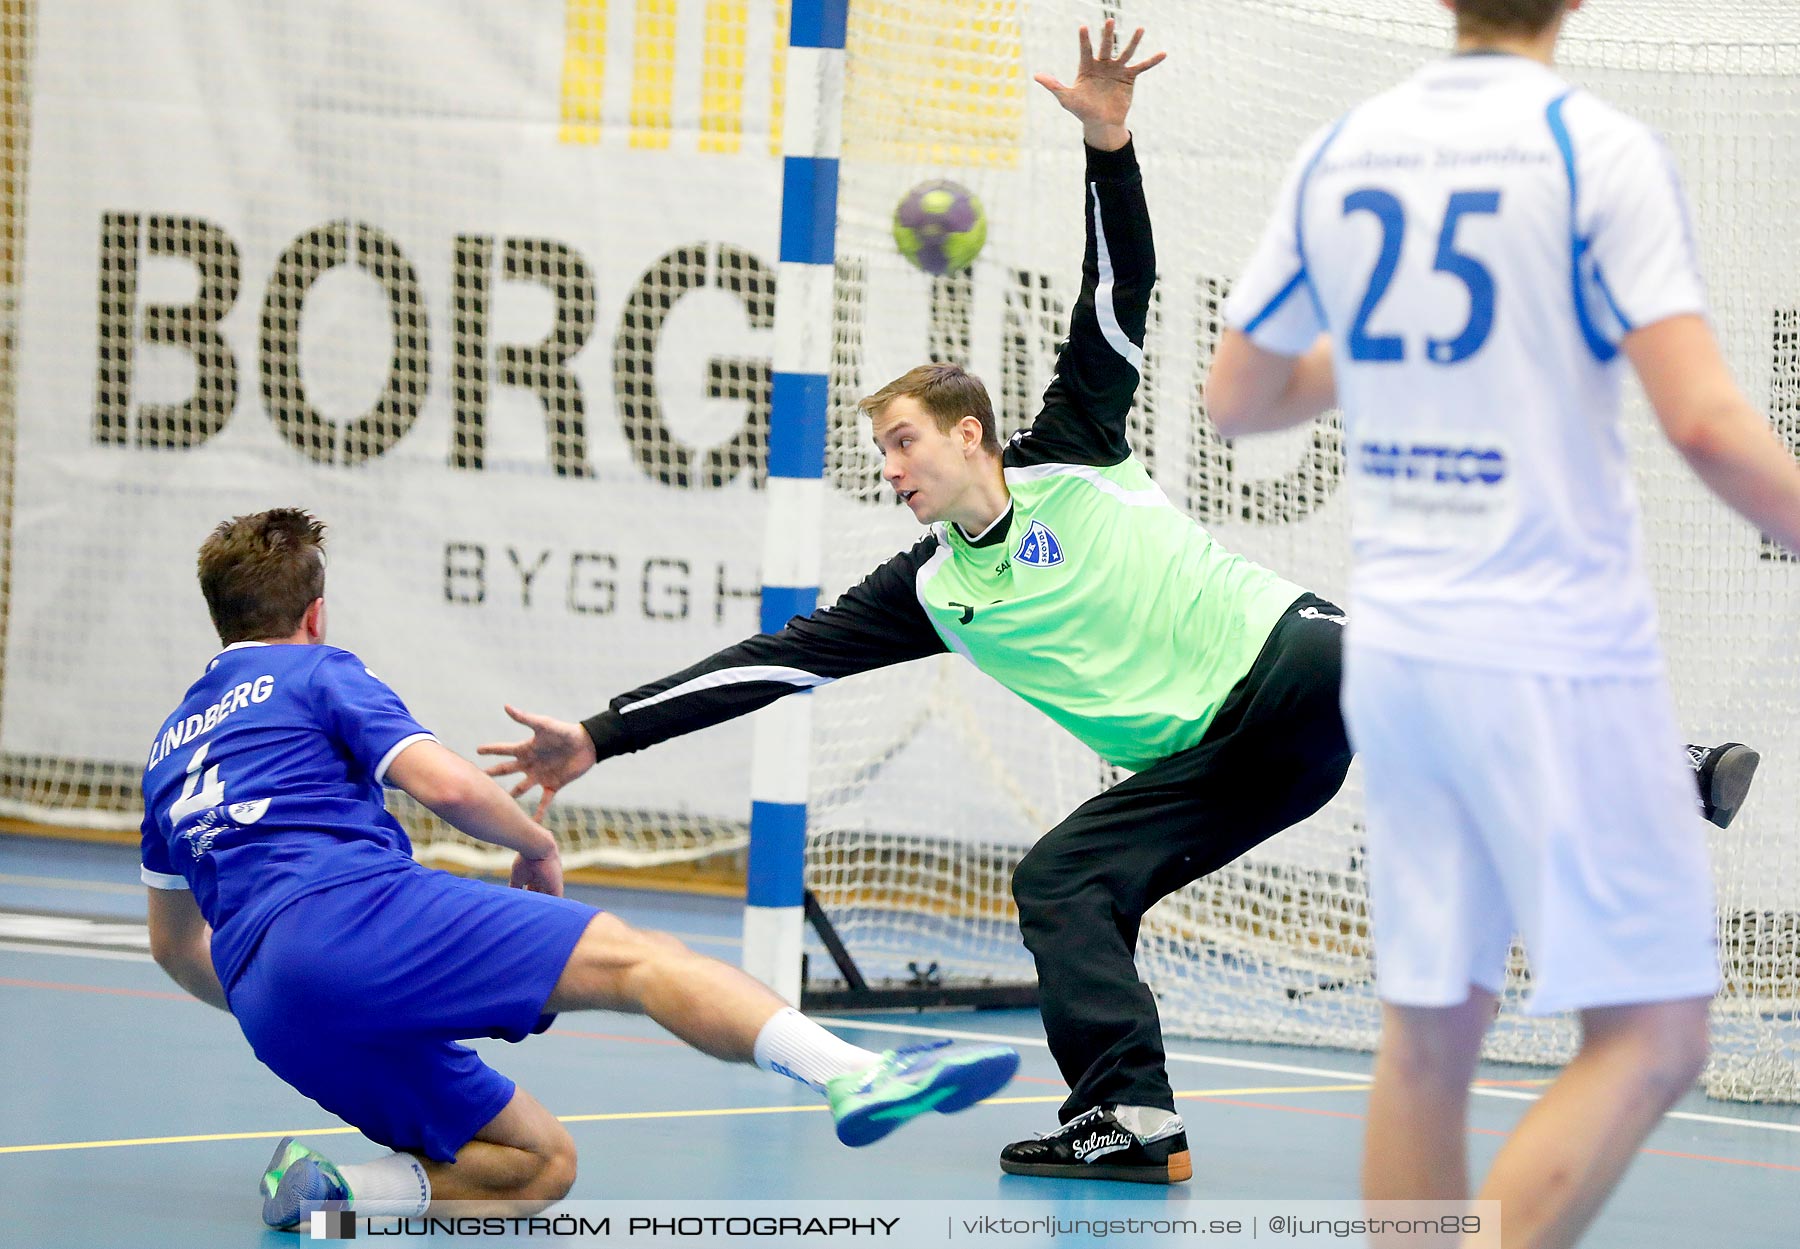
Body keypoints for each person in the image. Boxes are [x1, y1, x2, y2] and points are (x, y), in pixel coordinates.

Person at [483, 21, 1761, 1188]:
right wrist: (602, 734)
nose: (891, 469)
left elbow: (1118, 292)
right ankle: (1131, 1118)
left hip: (1277, 664)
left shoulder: (1070, 450)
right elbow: (771, 664)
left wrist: (1108, 147)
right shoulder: (932, 592)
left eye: (904, 444)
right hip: (1215, 768)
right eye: (882, 453)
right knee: (1065, 880)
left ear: (970, 433)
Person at [1204, 2, 1800, 1245]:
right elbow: (1702, 421)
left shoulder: (1346, 148)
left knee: (1430, 1029)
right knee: (1655, 1029)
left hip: (1405, 655)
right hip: (1553, 651)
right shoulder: (1596, 151)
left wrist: (1378, 361)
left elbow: (1239, 395)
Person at [139, 509, 1019, 1231]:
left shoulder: (166, 749)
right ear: (316, 613)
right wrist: (536, 844)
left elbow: (176, 949)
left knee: (538, 1164)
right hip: (354, 914)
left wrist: (285, 985)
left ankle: (335, 1198)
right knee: (643, 960)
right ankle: (849, 1073)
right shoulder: (316, 671)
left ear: (219, 615)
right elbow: (441, 781)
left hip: (262, 996)